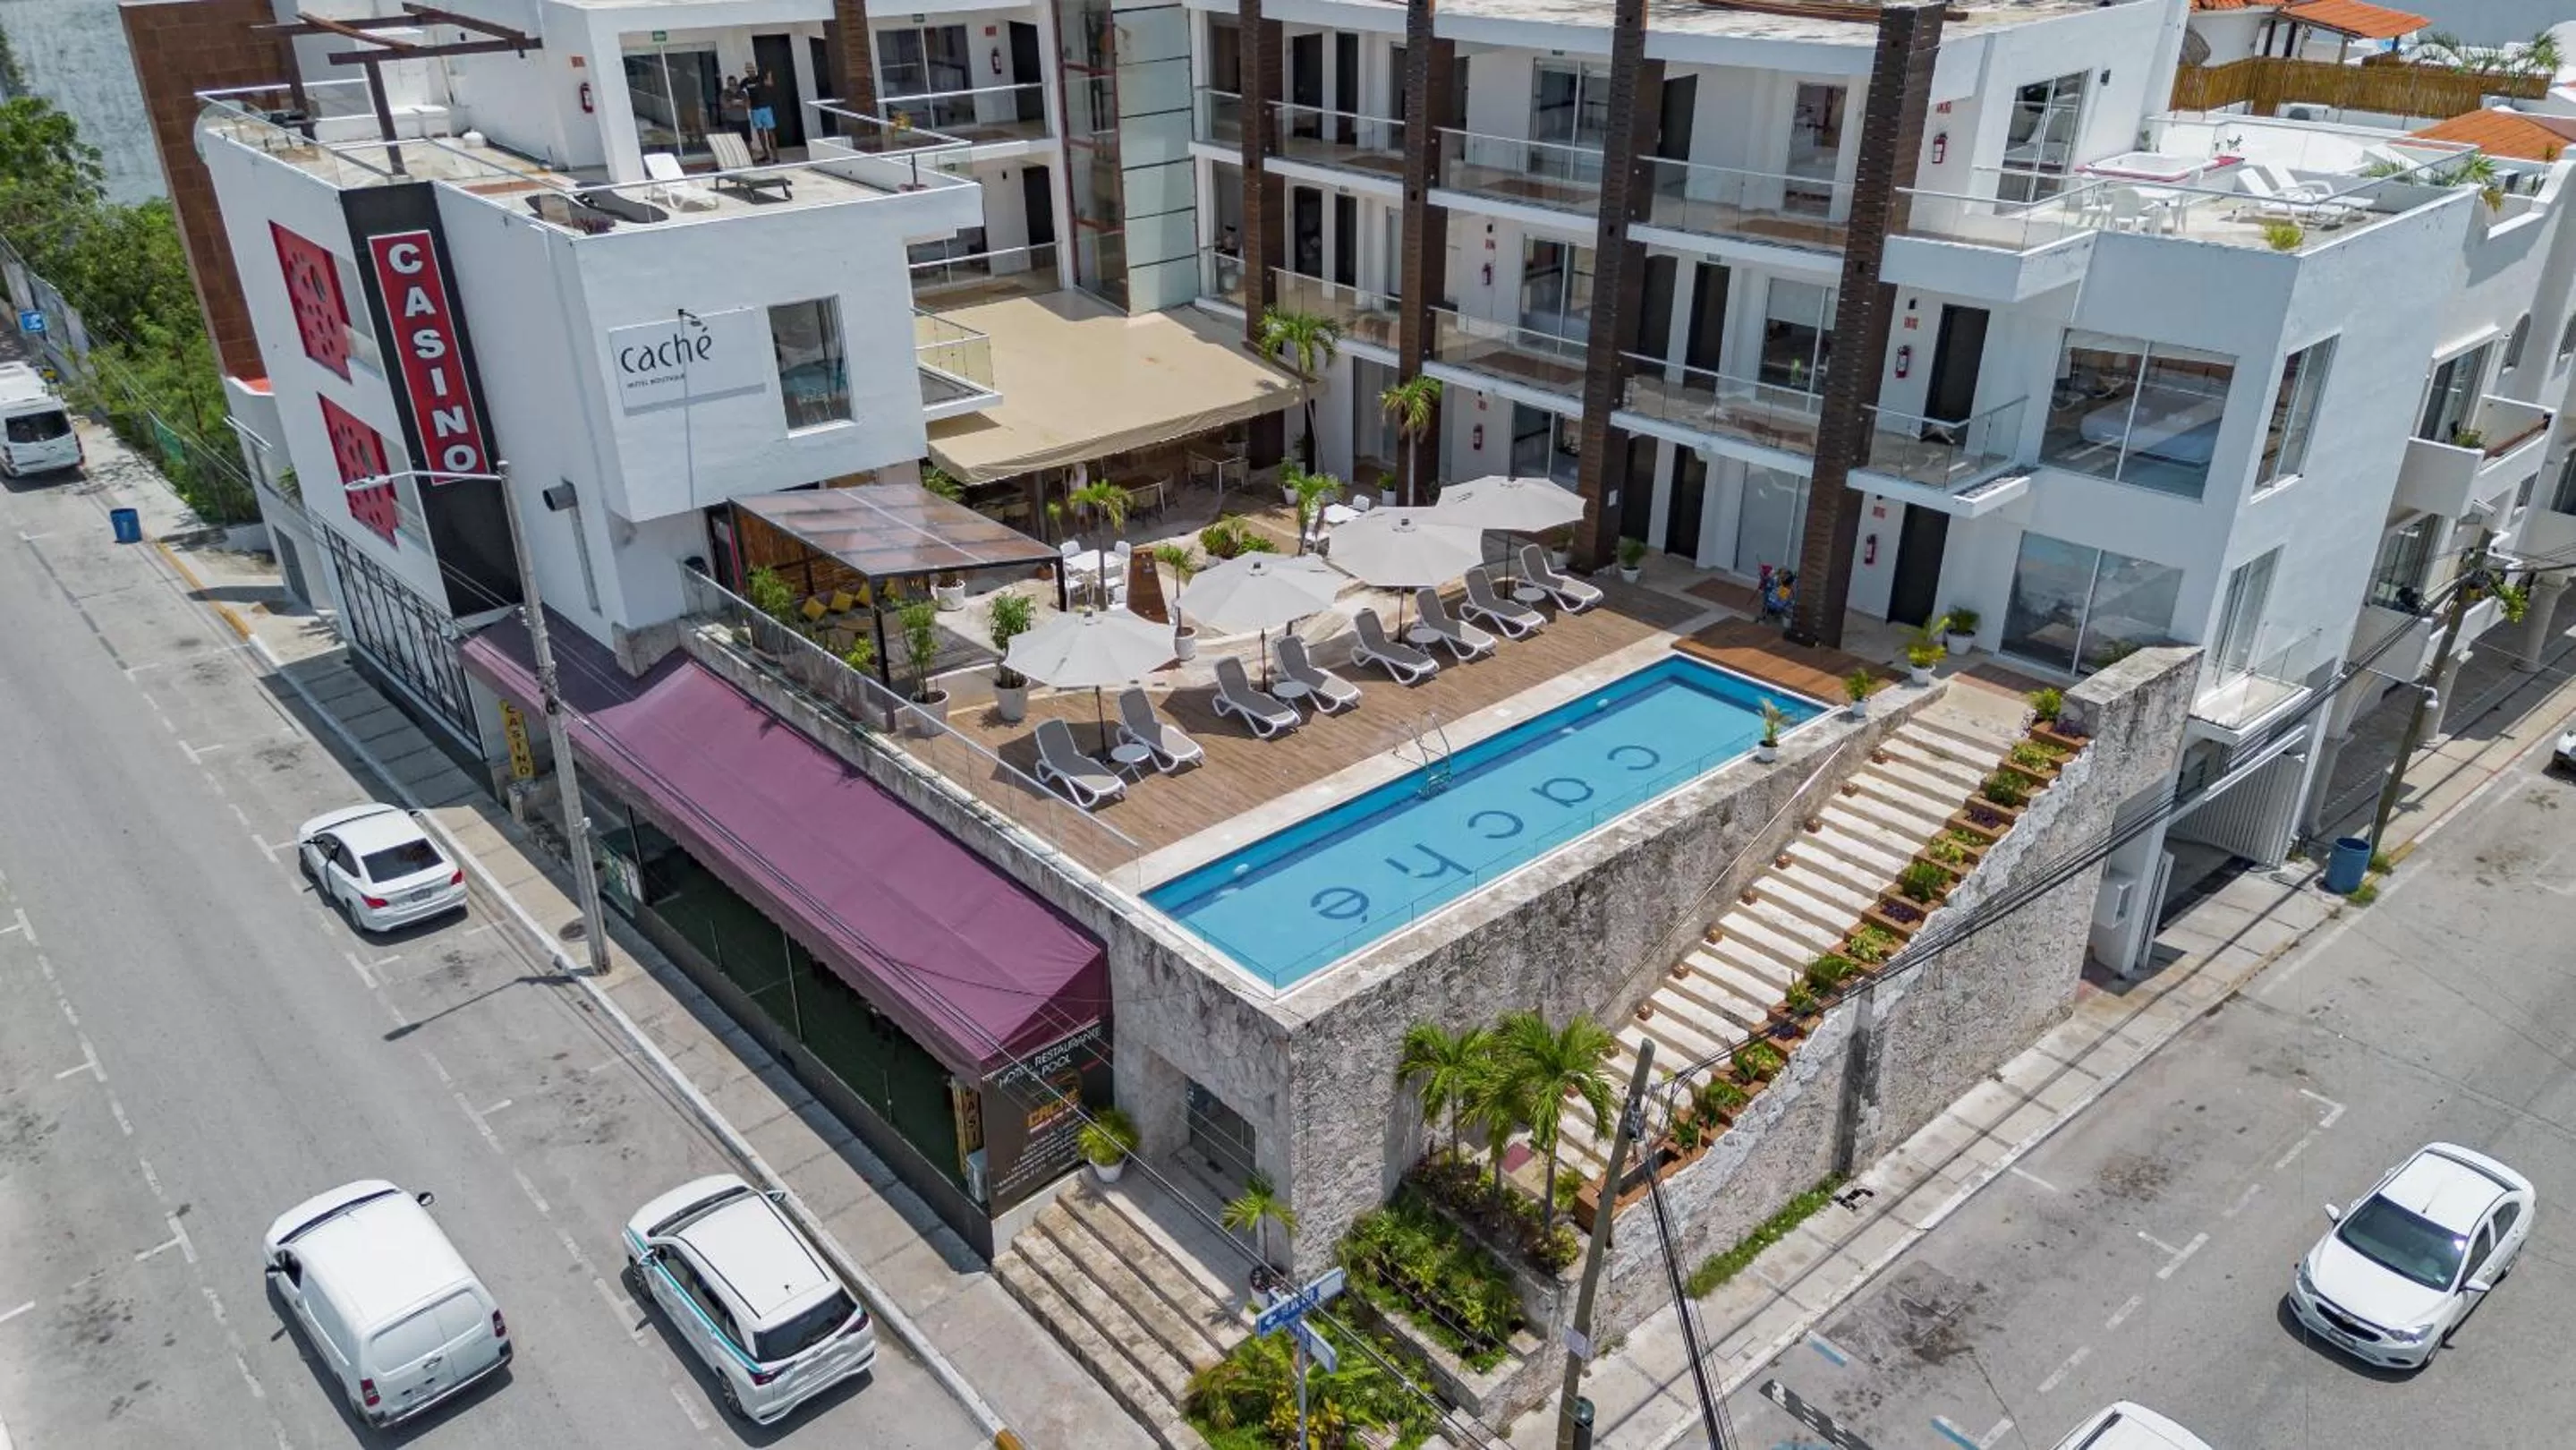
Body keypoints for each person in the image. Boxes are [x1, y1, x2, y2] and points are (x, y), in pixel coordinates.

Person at [747, 69, 778, 162]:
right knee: (760, 133)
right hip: (755, 110)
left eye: (752, 69)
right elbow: (740, 90)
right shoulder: (745, 81)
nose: (750, 71)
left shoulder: (760, 79)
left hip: (765, 108)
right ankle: (766, 154)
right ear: (746, 71)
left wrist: (769, 76)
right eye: (748, 69)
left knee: (771, 132)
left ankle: (776, 156)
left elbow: (770, 84)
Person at [720, 75, 750, 143]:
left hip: (744, 120)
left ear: (737, 83)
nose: (733, 86)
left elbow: (748, 105)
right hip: (732, 121)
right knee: (735, 142)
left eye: (734, 84)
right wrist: (732, 103)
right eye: (731, 84)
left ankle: (748, 154)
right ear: (728, 84)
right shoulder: (724, 93)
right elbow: (725, 106)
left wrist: (741, 103)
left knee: (747, 142)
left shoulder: (742, 93)